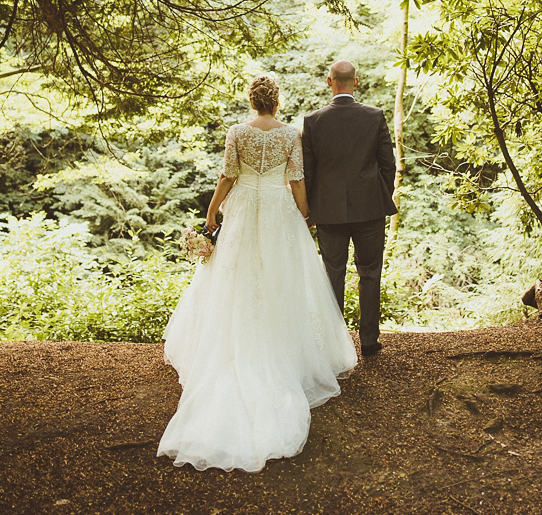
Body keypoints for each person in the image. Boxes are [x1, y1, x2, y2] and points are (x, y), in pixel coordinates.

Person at [157, 76, 357, 473]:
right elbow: (296, 179)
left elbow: (228, 177)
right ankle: (282, 349)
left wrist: (213, 211)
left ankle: (236, 342)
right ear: (277, 102)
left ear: (252, 100)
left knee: (235, 277)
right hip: (278, 208)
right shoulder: (289, 134)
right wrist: (303, 214)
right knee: (281, 280)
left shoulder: (237, 132)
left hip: (245, 207)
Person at [302, 60, 397, 356]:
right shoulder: (375, 116)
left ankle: (335, 345)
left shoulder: (313, 121)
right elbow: (388, 166)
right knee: (370, 272)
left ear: (329, 82)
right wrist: (377, 196)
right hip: (370, 208)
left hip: (328, 211)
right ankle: (369, 341)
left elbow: (308, 172)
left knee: (333, 272)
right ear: (355, 82)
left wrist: (310, 211)